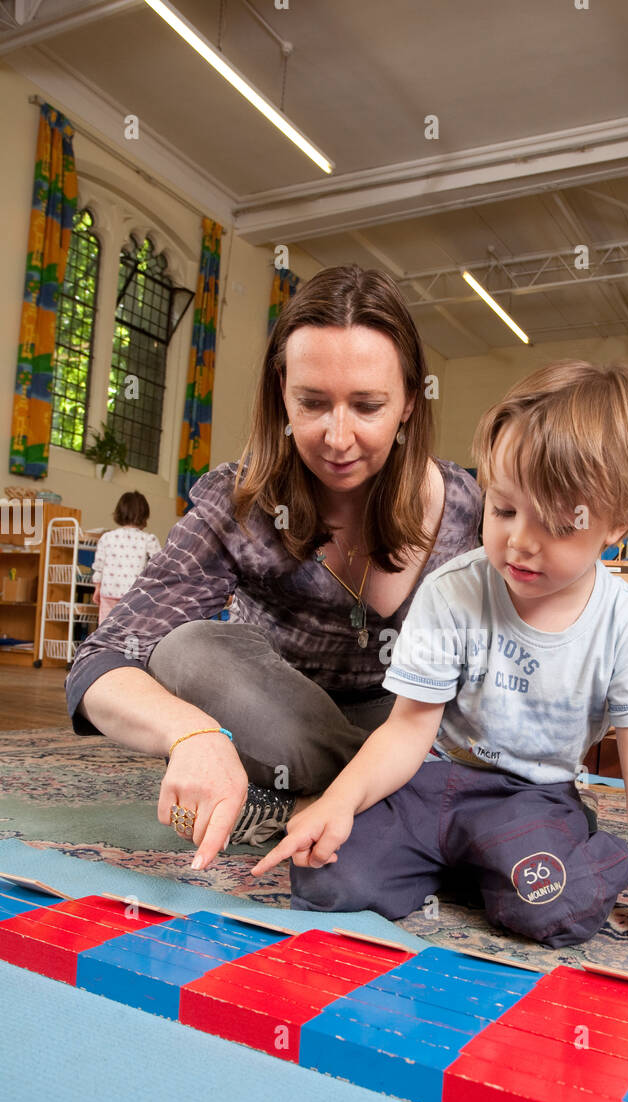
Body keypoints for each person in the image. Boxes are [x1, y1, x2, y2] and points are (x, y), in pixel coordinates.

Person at [252, 361, 628, 970]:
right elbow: (409, 728)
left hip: (531, 798)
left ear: (617, 524)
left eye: (556, 523)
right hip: (432, 783)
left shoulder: (626, 622)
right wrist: (337, 801)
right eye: (504, 509)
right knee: (326, 881)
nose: (520, 541)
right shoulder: (452, 590)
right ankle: (479, 862)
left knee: (553, 910)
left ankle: (556, 854)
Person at [65, 264, 482, 857]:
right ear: (281, 391)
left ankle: (328, 799)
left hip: (410, 720)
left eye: (367, 406)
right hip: (282, 722)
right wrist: (192, 732)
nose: (338, 438)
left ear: (411, 401)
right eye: (312, 403)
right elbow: (100, 661)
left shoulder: (468, 507)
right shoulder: (239, 499)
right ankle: (387, 798)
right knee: (187, 649)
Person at [91, 491, 160, 624]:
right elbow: (160, 565)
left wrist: (97, 588)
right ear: (144, 515)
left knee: (106, 630)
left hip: (109, 593)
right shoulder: (148, 540)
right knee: (130, 632)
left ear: (119, 512)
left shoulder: (107, 538)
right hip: (134, 595)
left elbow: (99, 567)